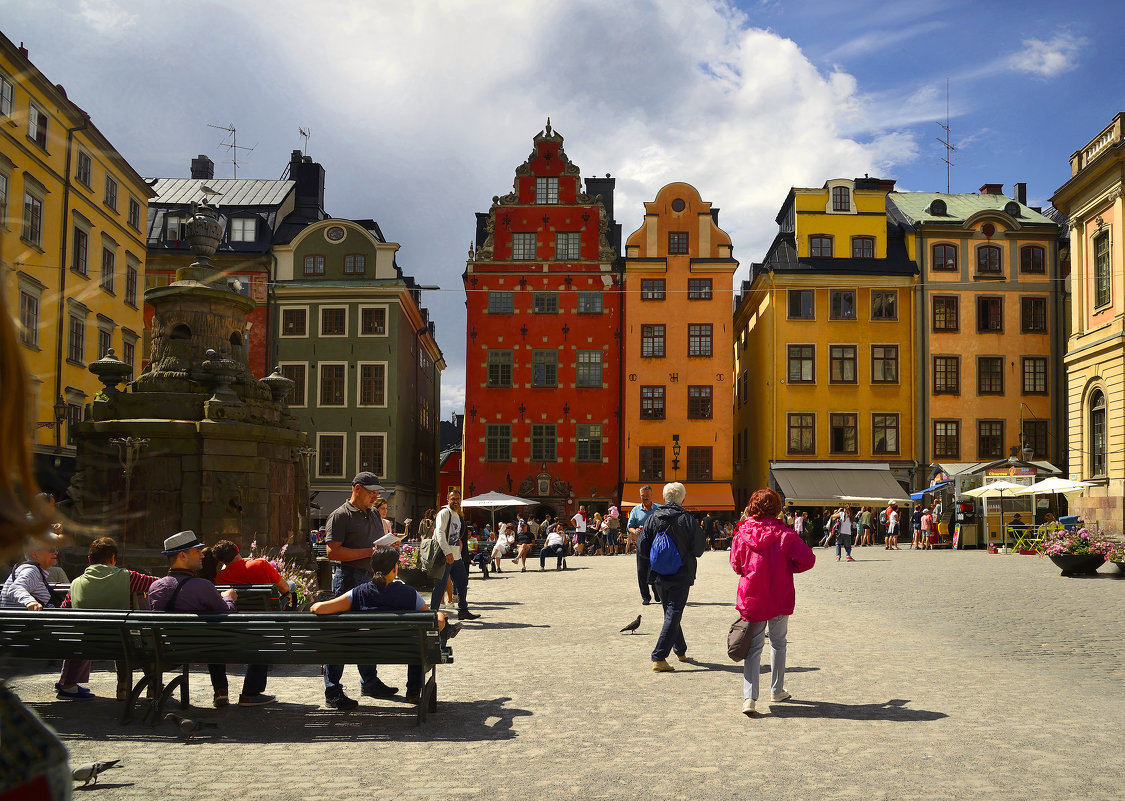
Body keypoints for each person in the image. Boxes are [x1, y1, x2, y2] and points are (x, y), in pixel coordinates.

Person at [311, 547, 461, 703]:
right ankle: (414, 690)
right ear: (395, 568)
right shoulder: (409, 593)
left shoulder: (359, 593)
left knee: (339, 635)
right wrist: (440, 615)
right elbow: (434, 621)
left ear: (372, 568)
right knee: (419, 640)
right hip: (405, 649)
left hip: (367, 649)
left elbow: (319, 608)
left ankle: (337, 689)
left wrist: (314, 606)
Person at [148, 531, 274, 707]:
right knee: (254, 637)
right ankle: (249, 693)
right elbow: (228, 615)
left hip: (170, 651)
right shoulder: (202, 586)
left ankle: (221, 690)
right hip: (206, 647)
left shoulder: (155, 587)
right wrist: (230, 597)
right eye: (197, 551)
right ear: (182, 555)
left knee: (211, 636)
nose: (202, 555)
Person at [730, 488, 816, 716]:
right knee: (778, 642)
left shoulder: (742, 532)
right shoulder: (785, 534)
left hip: (752, 595)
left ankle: (749, 698)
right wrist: (789, 567)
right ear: (777, 508)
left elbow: (736, 565)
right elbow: (808, 559)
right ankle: (776, 689)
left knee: (754, 647)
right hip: (779, 593)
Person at [321, 472, 399, 709]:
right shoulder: (339, 515)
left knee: (369, 632)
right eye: (371, 492)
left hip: (371, 578)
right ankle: (332, 689)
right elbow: (332, 553)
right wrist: (368, 552)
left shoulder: (374, 513)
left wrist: (388, 546)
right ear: (357, 488)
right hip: (348, 578)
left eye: (378, 492)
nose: (376, 496)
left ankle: (370, 681)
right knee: (342, 635)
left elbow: (374, 544)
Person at [56, 537, 158, 701]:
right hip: (125, 642)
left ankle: (122, 686)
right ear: (113, 558)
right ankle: (152, 685)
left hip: (88, 643)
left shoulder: (75, 583)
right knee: (144, 635)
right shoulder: (128, 577)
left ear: (89, 560)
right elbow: (159, 585)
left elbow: (63, 612)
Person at [639, 482, 706, 672]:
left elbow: (642, 548)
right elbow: (699, 549)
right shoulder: (688, 519)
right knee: (674, 612)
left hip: (659, 573)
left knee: (670, 613)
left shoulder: (653, 518)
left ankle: (680, 650)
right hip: (682, 573)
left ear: (663, 498)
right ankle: (659, 657)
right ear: (683, 499)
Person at [431, 488, 479, 620]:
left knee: (462, 582)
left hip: (455, 556)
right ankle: (432, 615)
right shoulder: (444, 513)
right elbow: (440, 533)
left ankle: (463, 610)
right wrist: (447, 552)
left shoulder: (457, 515)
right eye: (453, 499)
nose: (456, 501)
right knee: (440, 586)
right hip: (446, 556)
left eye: (458, 499)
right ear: (448, 500)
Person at [212, 540, 291, 598]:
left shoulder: (221, 577)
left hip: (241, 614)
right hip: (270, 611)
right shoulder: (260, 564)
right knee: (291, 585)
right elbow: (285, 588)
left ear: (221, 561)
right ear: (237, 548)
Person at [1, 535, 59, 611]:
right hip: (21, 621)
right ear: (35, 554)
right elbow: (15, 588)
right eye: (51, 549)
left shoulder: (33, 570)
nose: (56, 552)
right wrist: (30, 602)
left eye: (56, 549)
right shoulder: (31, 570)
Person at [627, 485, 661, 604]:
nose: (645, 498)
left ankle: (657, 592)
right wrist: (634, 531)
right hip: (642, 544)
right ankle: (645, 597)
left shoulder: (659, 509)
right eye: (643, 496)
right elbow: (629, 526)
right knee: (642, 571)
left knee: (656, 569)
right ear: (640, 496)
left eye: (647, 495)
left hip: (657, 545)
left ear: (651, 495)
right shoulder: (635, 510)